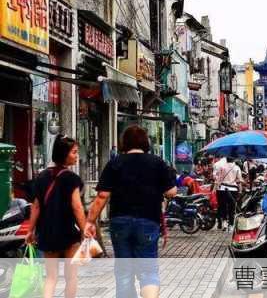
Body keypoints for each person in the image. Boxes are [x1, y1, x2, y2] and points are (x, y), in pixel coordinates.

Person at [84, 125, 177, 298]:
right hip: (148, 221)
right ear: (145, 142)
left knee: (124, 272)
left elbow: (102, 196)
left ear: (124, 143)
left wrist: (90, 222)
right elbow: (171, 192)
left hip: (120, 222)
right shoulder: (157, 163)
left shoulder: (115, 163)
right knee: (148, 272)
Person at [27, 135, 85, 298]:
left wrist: (30, 231)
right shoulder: (72, 179)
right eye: (74, 152)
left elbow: (36, 206)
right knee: (71, 277)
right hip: (68, 232)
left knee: (51, 277)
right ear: (64, 154)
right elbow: (77, 207)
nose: (76, 155)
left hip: (46, 232)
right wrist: (84, 229)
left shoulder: (42, 177)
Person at [213, 156, 243, 231]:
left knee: (222, 206)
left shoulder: (221, 167)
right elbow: (239, 180)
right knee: (232, 208)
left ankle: (224, 222)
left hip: (222, 189)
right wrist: (240, 190)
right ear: (233, 159)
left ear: (226, 159)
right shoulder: (237, 168)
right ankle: (231, 225)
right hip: (233, 189)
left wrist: (215, 188)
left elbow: (218, 179)